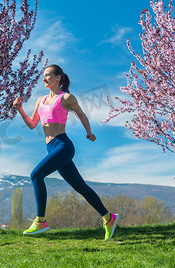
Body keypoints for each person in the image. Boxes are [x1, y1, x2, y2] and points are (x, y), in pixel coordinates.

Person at [13, 64, 119, 241]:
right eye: (43, 76)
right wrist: (20, 109)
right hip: (51, 147)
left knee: (36, 175)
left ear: (58, 77)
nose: (44, 78)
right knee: (80, 187)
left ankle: (41, 221)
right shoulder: (41, 100)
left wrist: (89, 132)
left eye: (47, 75)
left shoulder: (66, 98)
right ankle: (108, 218)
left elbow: (81, 114)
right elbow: (32, 124)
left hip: (63, 145)